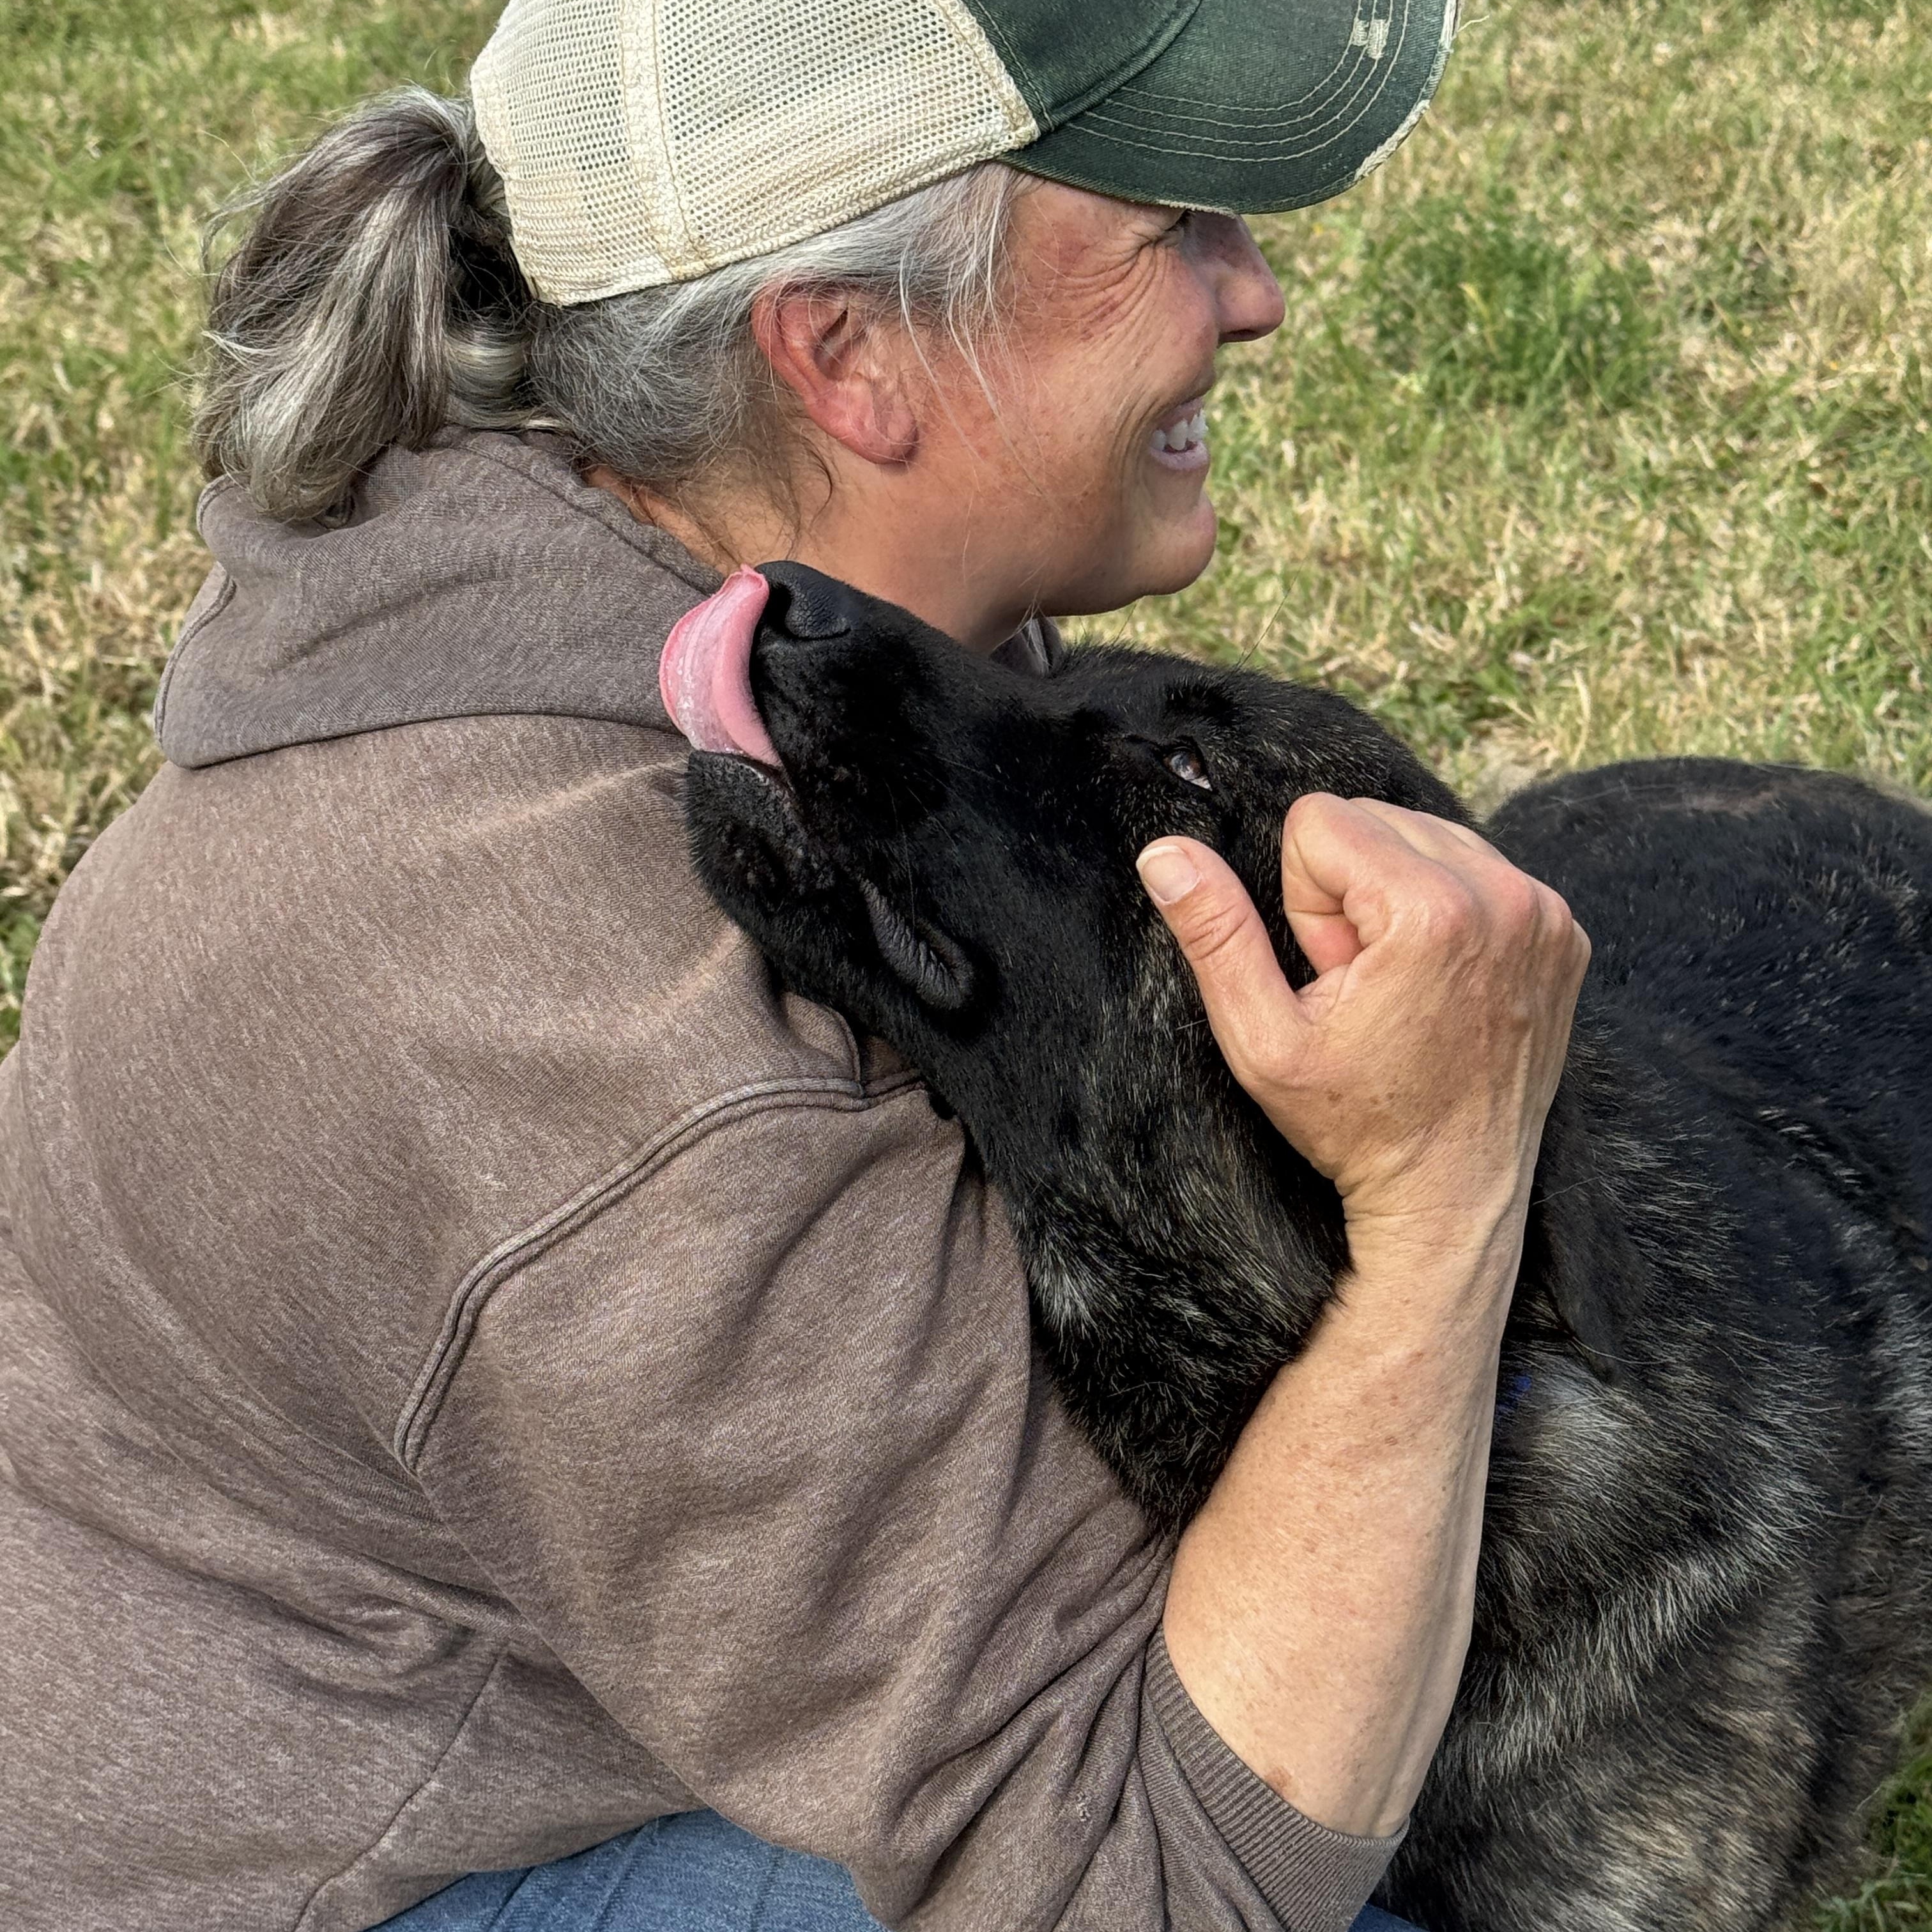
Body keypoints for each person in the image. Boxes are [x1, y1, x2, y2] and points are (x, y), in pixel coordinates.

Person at [0, 1, 1590, 1928]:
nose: (1253, 296)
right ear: (845, 354)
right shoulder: (628, 1051)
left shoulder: (568, 556)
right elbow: (1157, 1886)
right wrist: (1445, 1201)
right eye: (1173, 225)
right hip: (350, 1874)